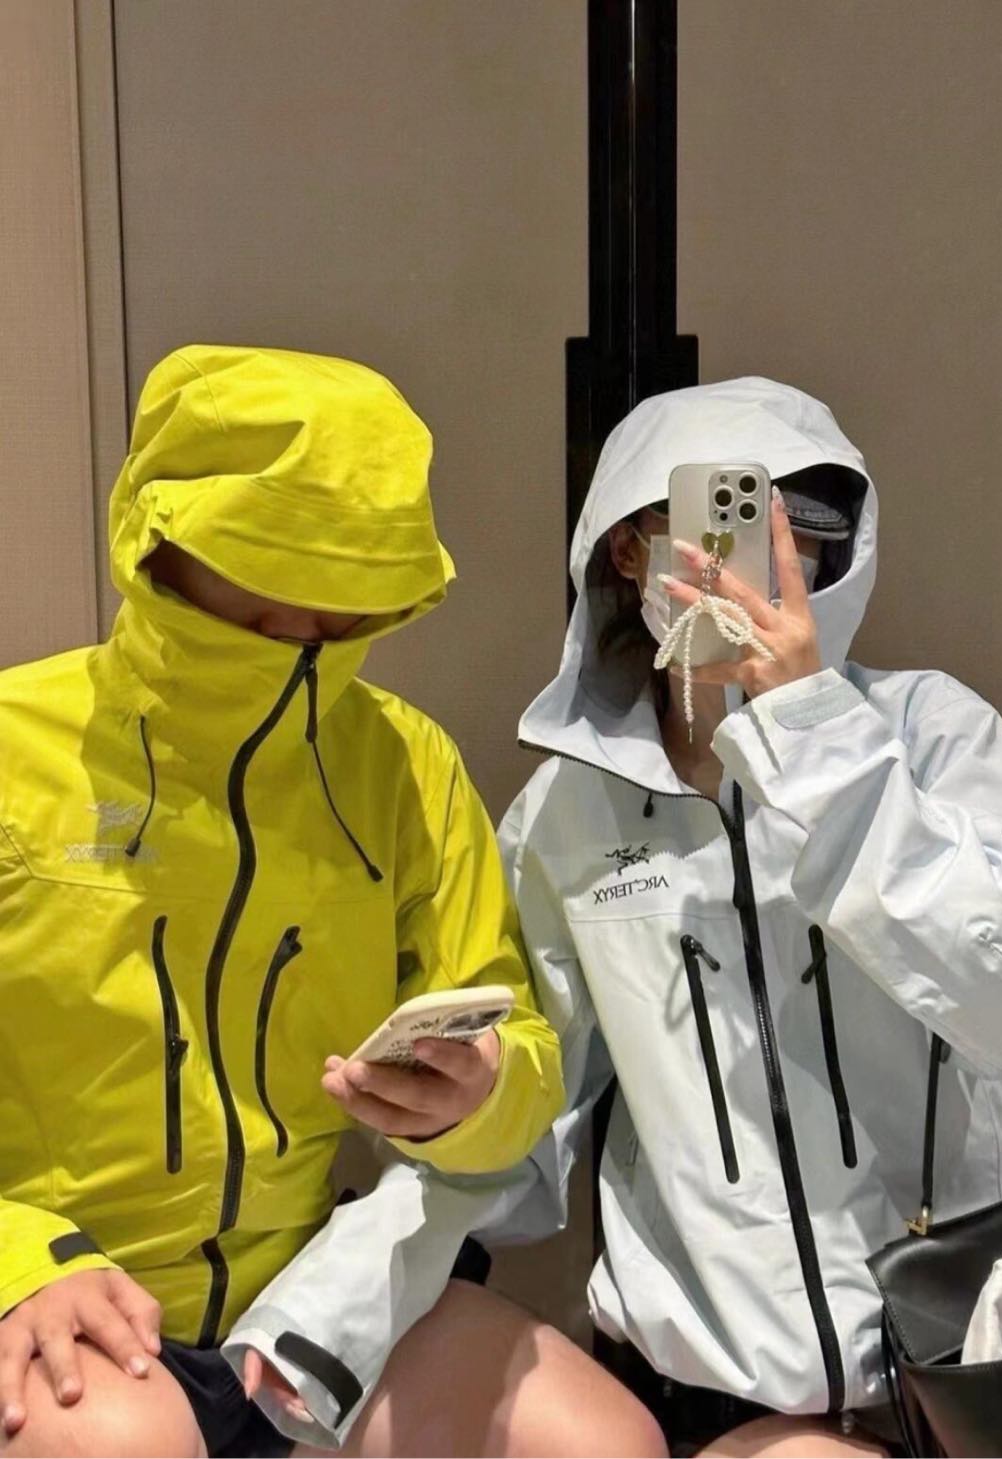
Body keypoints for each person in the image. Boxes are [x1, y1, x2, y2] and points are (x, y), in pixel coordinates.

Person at [337, 377, 1002, 1456]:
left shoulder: (929, 734)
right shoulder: (568, 815)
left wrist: (814, 739)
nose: (762, 563)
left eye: (800, 533)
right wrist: (461, 1111)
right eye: (723, 521)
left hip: (953, 1376)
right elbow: (528, 1159)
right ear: (629, 548)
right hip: (694, 1400)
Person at [0, 346, 664, 1459]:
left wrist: (473, 1098)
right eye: (262, 586)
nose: (304, 630)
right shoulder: (17, 747)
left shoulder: (403, 766)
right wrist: (19, 1260)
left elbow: (521, 1049)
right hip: (56, 1280)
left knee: (600, 1442)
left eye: (346, 605)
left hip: (308, 1288)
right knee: (123, 1443)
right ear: (157, 543)